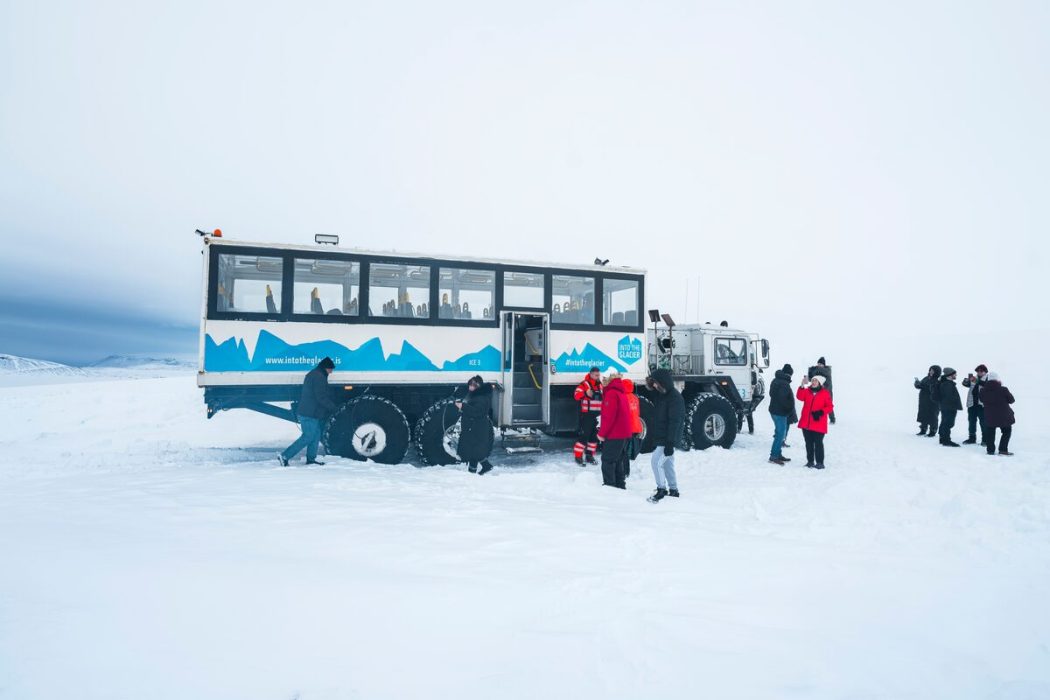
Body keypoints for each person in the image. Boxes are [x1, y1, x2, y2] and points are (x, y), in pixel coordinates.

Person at [278, 357, 337, 466]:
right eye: (330, 369)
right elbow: (321, 397)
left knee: (316, 435)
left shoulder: (316, 374)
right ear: (325, 367)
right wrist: (333, 407)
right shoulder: (318, 377)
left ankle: (311, 459)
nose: (331, 371)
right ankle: (285, 456)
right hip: (309, 413)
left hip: (312, 412)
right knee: (308, 436)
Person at [647, 368, 684, 502]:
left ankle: (661, 489)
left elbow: (675, 422)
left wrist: (670, 442)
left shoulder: (675, 398)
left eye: (656, 383)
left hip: (668, 439)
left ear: (663, 382)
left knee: (656, 462)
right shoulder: (662, 395)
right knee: (667, 464)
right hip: (663, 437)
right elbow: (651, 392)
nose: (655, 385)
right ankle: (673, 490)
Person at [596, 369, 632, 488]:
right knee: (617, 461)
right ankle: (620, 485)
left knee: (608, 460)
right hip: (623, 433)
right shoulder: (620, 392)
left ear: (607, 380)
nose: (601, 383)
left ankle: (610, 487)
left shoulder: (611, 394)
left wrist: (601, 433)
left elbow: (608, 417)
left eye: (603, 380)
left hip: (615, 434)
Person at [455, 375, 495, 474]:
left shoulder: (481, 397)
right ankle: (472, 471)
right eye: (470, 384)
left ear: (478, 386)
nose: (470, 387)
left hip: (477, 427)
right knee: (473, 450)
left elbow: (477, 411)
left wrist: (463, 406)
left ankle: (486, 466)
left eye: (473, 385)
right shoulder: (477, 395)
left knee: (475, 450)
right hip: (474, 426)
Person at [796, 374, 834, 469]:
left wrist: (821, 412)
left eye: (815, 381)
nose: (813, 382)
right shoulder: (807, 391)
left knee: (818, 443)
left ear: (819, 383)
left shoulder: (825, 393)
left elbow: (830, 407)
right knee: (808, 443)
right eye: (812, 381)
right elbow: (799, 397)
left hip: (818, 423)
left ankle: (820, 462)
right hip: (806, 423)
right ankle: (810, 461)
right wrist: (802, 385)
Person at [573, 367, 603, 465]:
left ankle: (590, 455)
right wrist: (586, 393)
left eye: (598, 375)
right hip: (587, 415)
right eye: (596, 375)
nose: (598, 377)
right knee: (584, 436)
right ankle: (578, 456)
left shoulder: (601, 385)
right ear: (590, 374)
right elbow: (576, 395)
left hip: (598, 415)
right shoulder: (584, 384)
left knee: (594, 437)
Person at [980, 372, 1015, 456]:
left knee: (990, 432)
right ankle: (1003, 450)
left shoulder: (983, 390)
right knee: (1007, 431)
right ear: (997, 379)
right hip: (1004, 416)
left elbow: (981, 400)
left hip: (989, 416)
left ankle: (990, 450)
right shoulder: (1003, 389)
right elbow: (1012, 400)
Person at [767, 364, 795, 465]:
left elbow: (772, 394)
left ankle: (778, 454)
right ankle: (774, 456)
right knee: (780, 434)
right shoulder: (784, 383)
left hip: (774, 411)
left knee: (779, 433)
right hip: (780, 412)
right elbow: (783, 399)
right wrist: (789, 408)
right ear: (789, 374)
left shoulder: (776, 380)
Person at [961, 364, 989, 445]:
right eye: (978, 371)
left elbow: (987, 385)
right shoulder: (974, 378)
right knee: (971, 422)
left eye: (981, 371)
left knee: (983, 423)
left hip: (982, 405)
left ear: (985, 371)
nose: (979, 372)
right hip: (972, 404)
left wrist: (977, 381)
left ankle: (985, 440)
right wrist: (965, 382)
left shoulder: (988, 378)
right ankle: (972, 438)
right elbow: (967, 385)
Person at [622, 378, 644, 477]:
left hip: (627, 427)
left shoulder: (623, 397)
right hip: (635, 426)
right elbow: (637, 412)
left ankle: (625, 472)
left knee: (623, 451)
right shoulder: (634, 397)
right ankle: (626, 471)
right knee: (627, 450)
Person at [937, 367, 963, 446]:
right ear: (950, 375)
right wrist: (955, 403)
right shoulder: (947, 384)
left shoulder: (945, 382)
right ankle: (946, 440)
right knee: (948, 423)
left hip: (946, 406)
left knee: (944, 422)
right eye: (954, 374)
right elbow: (949, 397)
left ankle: (942, 438)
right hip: (949, 407)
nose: (956, 375)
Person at [914, 365, 941, 437]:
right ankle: (923, 429)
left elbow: (931, 388)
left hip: (933, 402)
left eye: (933, 370)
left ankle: (933, 431)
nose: (931, 372)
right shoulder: (926, 378)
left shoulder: (938, 380)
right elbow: (920, 386)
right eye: (930, 370)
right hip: (923, 400)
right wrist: (917, 383)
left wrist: (922, 386)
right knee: (923, 415)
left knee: (933, 416)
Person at [808, 357, 835, 424]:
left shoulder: (827, 371)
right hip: (819, 392)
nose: (819, 365)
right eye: (818, 364)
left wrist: (816, 369)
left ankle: (832, 419)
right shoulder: (817, 371)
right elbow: (810, 379)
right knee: (817, 406)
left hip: (827, 392)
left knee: (828, 406)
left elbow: (827, 383)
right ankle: (817, 419)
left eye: (821, 364)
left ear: (823, 365)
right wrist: (810, 370)